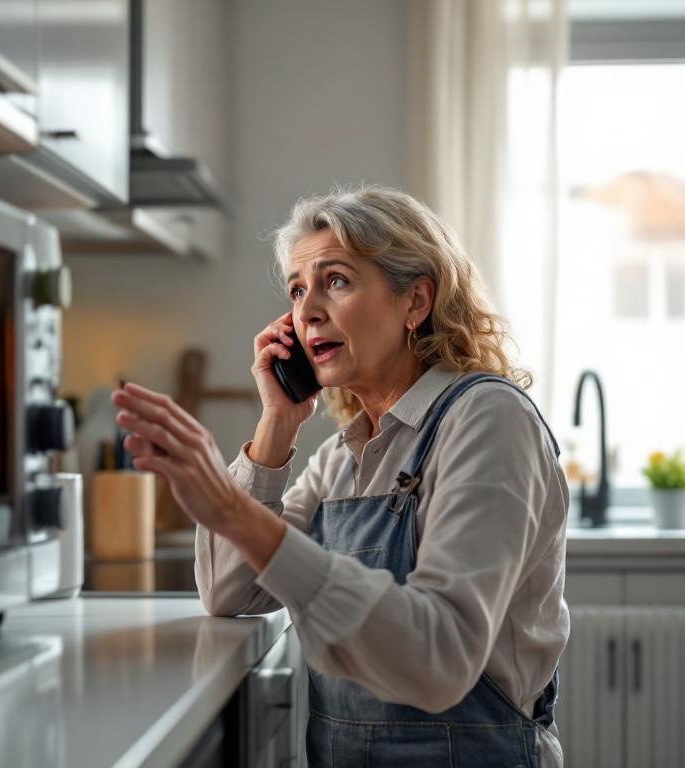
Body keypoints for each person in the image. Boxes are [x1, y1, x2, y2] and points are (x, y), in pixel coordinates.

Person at [112, 186, 569, 768]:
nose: (306, 313)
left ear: (416, 302)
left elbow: (441, 658)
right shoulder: (340, 457)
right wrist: (278, 422)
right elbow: (230, 592)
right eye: (298, 291)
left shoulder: (487, 420)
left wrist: (233, 511)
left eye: (336, 281)